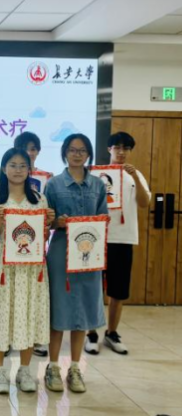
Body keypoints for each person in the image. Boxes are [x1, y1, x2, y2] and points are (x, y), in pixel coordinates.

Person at [0, 148, 55, 394]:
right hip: (3, 270)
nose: (18, 170)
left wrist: (48, 225)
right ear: (3, 168)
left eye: (23, 165)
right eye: (13, 165)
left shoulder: (40, 200)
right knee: (1, 315)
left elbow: (41, 238)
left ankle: (25, 370)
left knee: (28, 314)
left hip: (32, 270)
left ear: (29, 169)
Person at [43, 133, 108, 394]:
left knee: (82, 312)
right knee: (59, 310)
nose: (77, 154)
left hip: (89, 255)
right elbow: (45, 221)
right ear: (65, 153)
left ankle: (75, 368)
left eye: (82, 150)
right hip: (60, 252)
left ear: (88, 153)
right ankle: (52, 367)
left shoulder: (98, 185)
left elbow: (103, 217)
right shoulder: (53, 184)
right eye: (72, 150)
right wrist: (55, 222)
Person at [85, 132, 150, 355]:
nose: (121, 152)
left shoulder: (136, 175)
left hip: (123, 239)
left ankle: (111, 333)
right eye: (117, 147)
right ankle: (91, 334)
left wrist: (136, 179)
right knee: (93, 289)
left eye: (126, 148)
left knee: (118, 290)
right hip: (97, 238)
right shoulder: (96, 175)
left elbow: (144, 202)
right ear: (109, 149)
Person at [14, 131, 49, 357]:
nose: (30, 152)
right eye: (26, 148)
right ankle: (8, 338)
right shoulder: (8, 176)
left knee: (34, 293)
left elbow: (48, 211)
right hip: (12, 246)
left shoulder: (47, 178)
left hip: (36, 245)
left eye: (33, 149)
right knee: (11, 294)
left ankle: (35, 339)